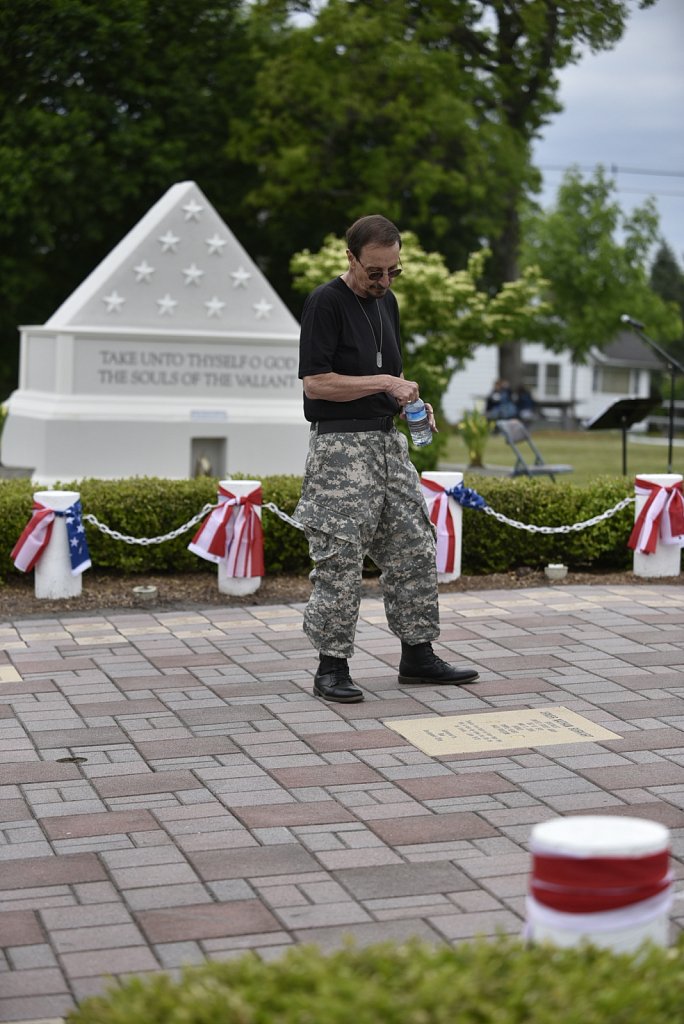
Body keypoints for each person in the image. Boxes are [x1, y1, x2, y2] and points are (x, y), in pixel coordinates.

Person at [293, 214, 479, 704]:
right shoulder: (325, 302)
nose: (383, 282)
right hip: (340, 449)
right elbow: (316, 383)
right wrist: (384, 384)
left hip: (387, 442)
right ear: (350, 258)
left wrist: (408, 399)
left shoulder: (387, 302)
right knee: (340, 557)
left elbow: (387, 373)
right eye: (374, 271)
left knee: (414, 545)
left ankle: (418, 655)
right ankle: (331, 667)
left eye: (393, 271)